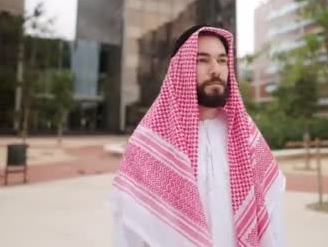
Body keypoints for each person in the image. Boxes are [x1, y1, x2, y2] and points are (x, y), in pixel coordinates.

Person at [108, 25, 286, 247]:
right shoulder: (151, 143)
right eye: (202, 60)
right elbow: (131, 228)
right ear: (181, 69)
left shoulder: (247, 138)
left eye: (222, 60)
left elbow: (272, 222)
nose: (216, 70)